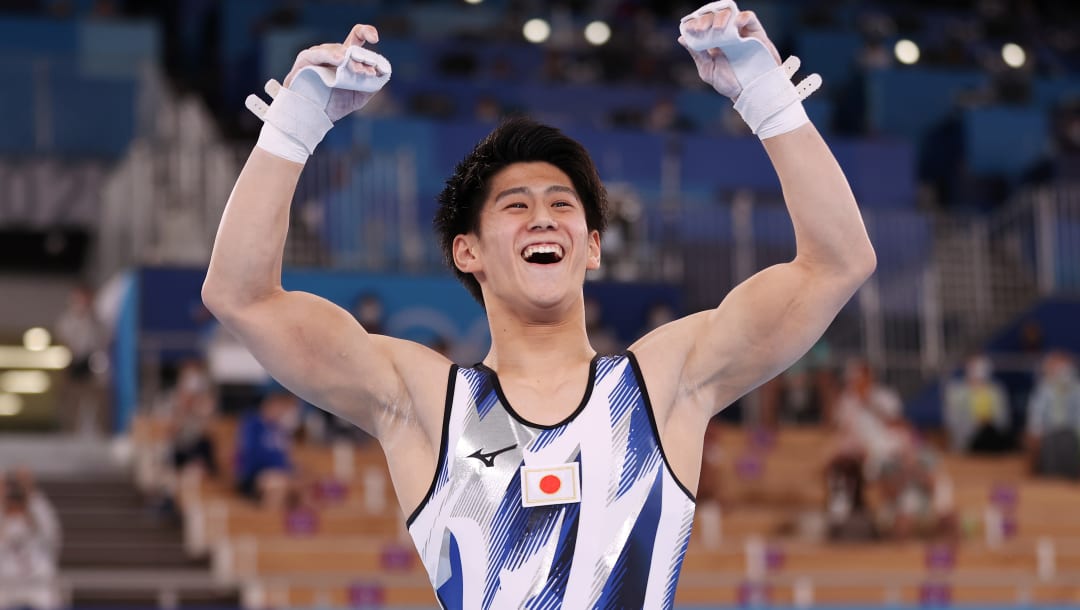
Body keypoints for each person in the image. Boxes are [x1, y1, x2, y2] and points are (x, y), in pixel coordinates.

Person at [202, 3, 875, 607]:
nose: (544, 220)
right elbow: (242, 297)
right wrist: (292, 128)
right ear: (468, 252)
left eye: (563, 206)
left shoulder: (662, 384)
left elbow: (837, 264)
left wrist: (770, 101)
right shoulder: (431, 407)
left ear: (592, 248)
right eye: (516, 207)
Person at [234, 385, 303, 509]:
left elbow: (283, 458)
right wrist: (279, 472)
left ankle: (298, 527)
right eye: (282, 407)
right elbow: (251, 455)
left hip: (279, 474)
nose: (283, 412)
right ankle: (268, 524)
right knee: (278, 488)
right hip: (254, 476)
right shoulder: (253, 424)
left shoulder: (280, 429)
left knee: (302, 487)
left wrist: (292, 471)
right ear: (271, 404)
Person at [1025, 351, 1080, 479]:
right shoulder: (1044, 388)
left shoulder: (1077, 389)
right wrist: (1035, 432)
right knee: (1051, 441)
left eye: (1065, 368)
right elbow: (1036, 414)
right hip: (1049, 433)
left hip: (1071, 432)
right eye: (1058, 368)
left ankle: (1070, 475)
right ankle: (1051, 476)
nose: (1062, 372)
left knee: (1068, 440)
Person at [944, 354, 1011, 453]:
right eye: (974, 367)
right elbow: (952, 420)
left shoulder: (996, 391)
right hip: (969, 437)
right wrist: (976, 424)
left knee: (992, 433)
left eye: (981, 367)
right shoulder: (955, 391)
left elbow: (1004, 419)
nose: (978, 371)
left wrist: (988, 422)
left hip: (993, 434)